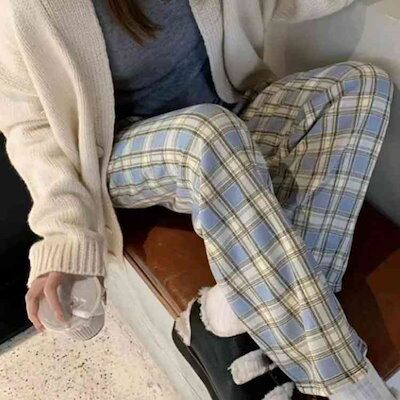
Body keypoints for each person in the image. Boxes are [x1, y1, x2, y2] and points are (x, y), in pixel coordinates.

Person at [0, 0, 395, 398]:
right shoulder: (29, 7)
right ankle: (347, 387)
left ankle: (224, 316)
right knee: (209, 132)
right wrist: (67, 235)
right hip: (128, 151)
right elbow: (30, 126)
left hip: (229, 113)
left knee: (360, 86)